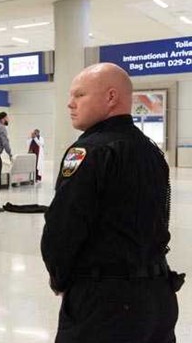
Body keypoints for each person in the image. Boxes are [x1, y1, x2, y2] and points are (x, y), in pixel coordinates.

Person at [41, 63, 183, 343]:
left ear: (111, 97)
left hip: (105, 304)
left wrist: (59, 278)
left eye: (79, 95)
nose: (70, 104)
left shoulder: (89, 151)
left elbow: (63, 227)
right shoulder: (152, 151)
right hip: (158, 297)